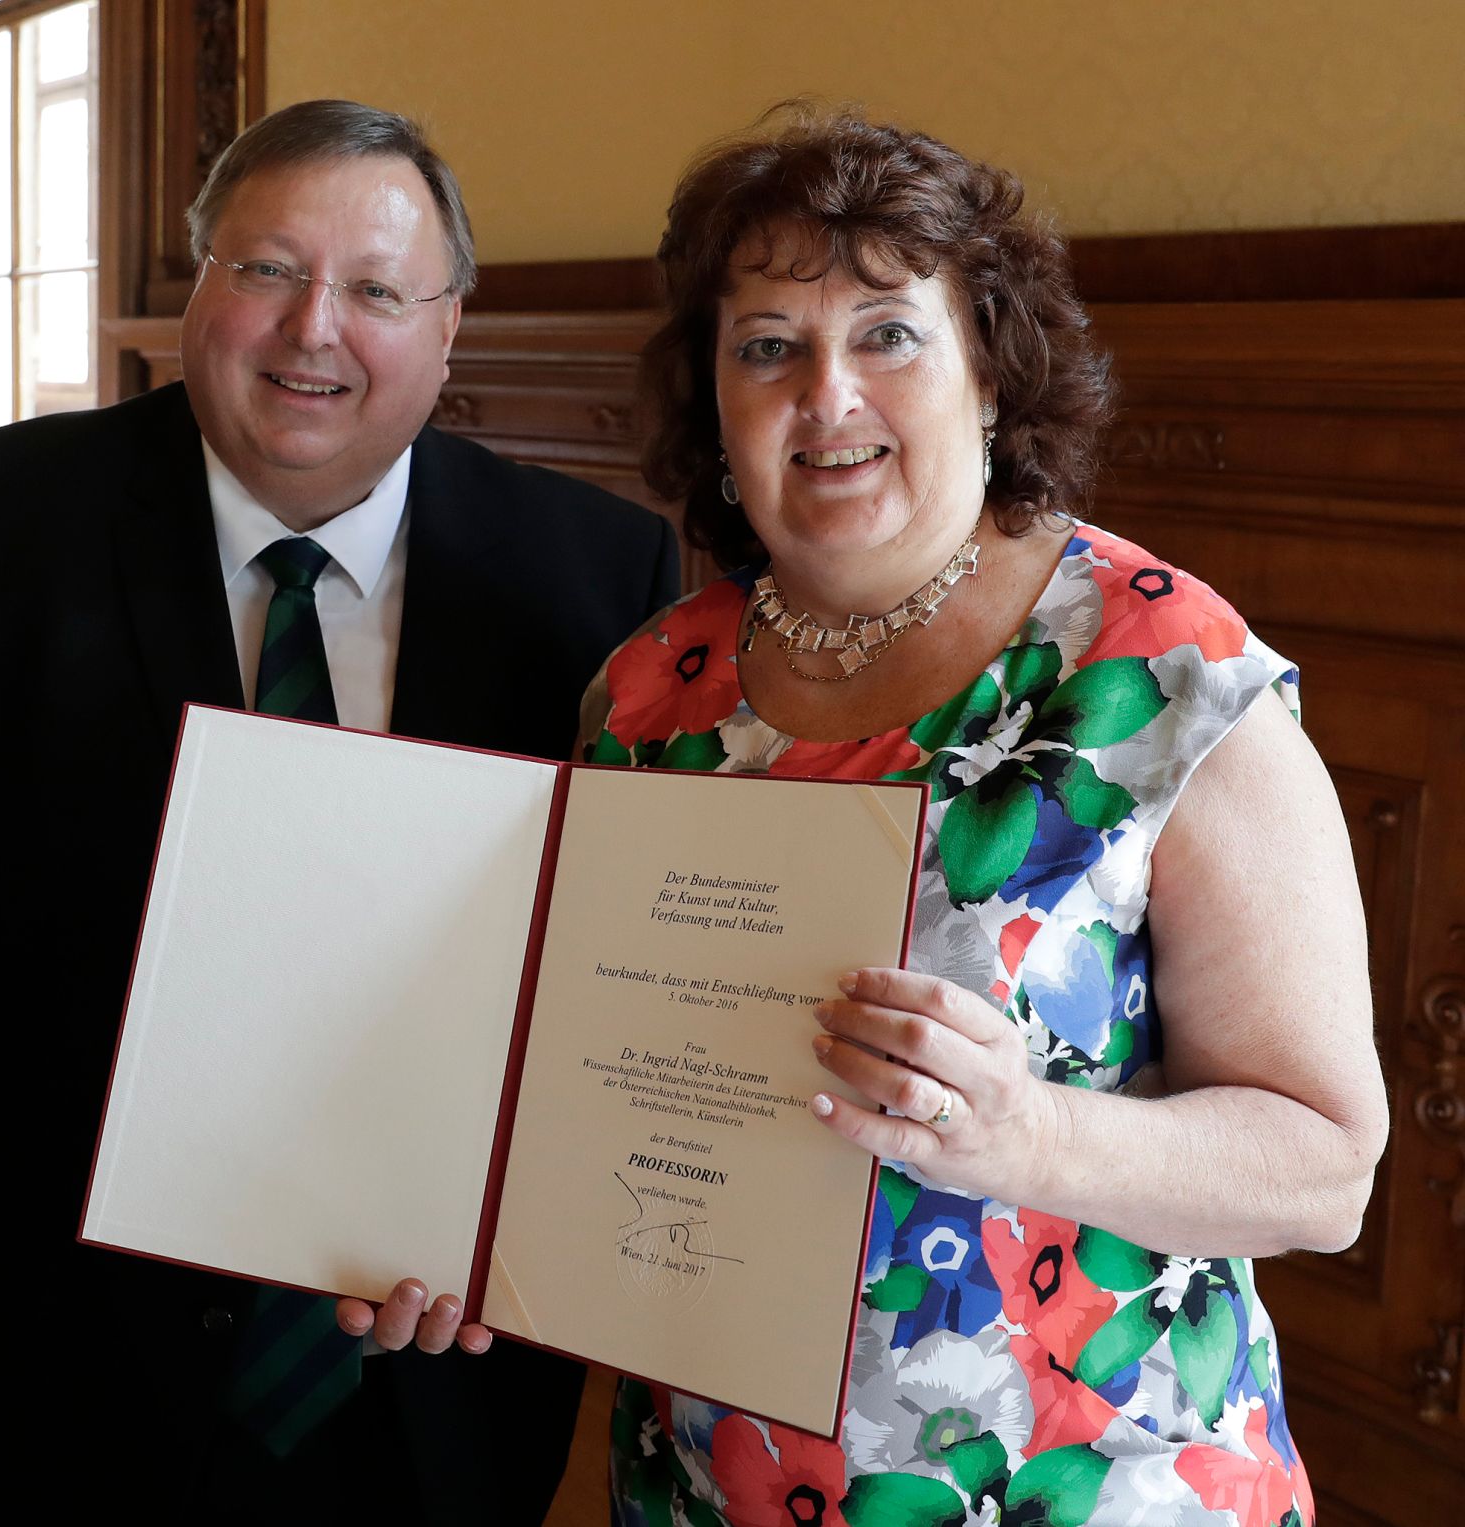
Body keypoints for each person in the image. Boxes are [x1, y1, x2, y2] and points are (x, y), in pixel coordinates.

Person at [0, 99, 677, 1523]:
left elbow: (618, 960)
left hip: (438, 1331)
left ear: (448, 327)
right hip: (58, 1300)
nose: (315, 329)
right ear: (196, 287)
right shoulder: (0, 519)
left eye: (377, 289)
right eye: (265, 269)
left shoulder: (594, 572)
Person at [583, 107, 1387, 1526]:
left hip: (1082, 1482)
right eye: (767, 344)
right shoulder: (650, 690)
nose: (826, 393)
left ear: (992, 374)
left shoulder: (1160, 670)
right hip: (711, 1480)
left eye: (889, 332)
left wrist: (1029, 1134)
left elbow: (1325, 1167)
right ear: (714, 399)